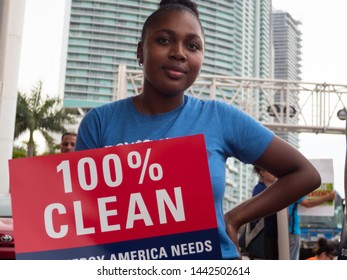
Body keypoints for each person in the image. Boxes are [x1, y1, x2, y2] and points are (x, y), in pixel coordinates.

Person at [75, 0, 321, 259]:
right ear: (140, 51)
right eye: (164, 40)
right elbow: (81, 215)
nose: (179, 53)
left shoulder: (220, 117)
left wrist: (234, 218)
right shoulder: (99, 122)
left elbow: (305, 174)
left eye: (192, 46)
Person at [288, 190, 336, 260]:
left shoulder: (286, 187)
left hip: (289, 231)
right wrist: (328, 197)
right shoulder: (294, 190)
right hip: (292, 231)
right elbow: (308, 203)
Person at [247, 167, 279, 259]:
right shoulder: (259, 189)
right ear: (262, 172)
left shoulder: (272, 188)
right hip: (265, 235)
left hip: (273, 234)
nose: (274, 172)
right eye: (270, 170)